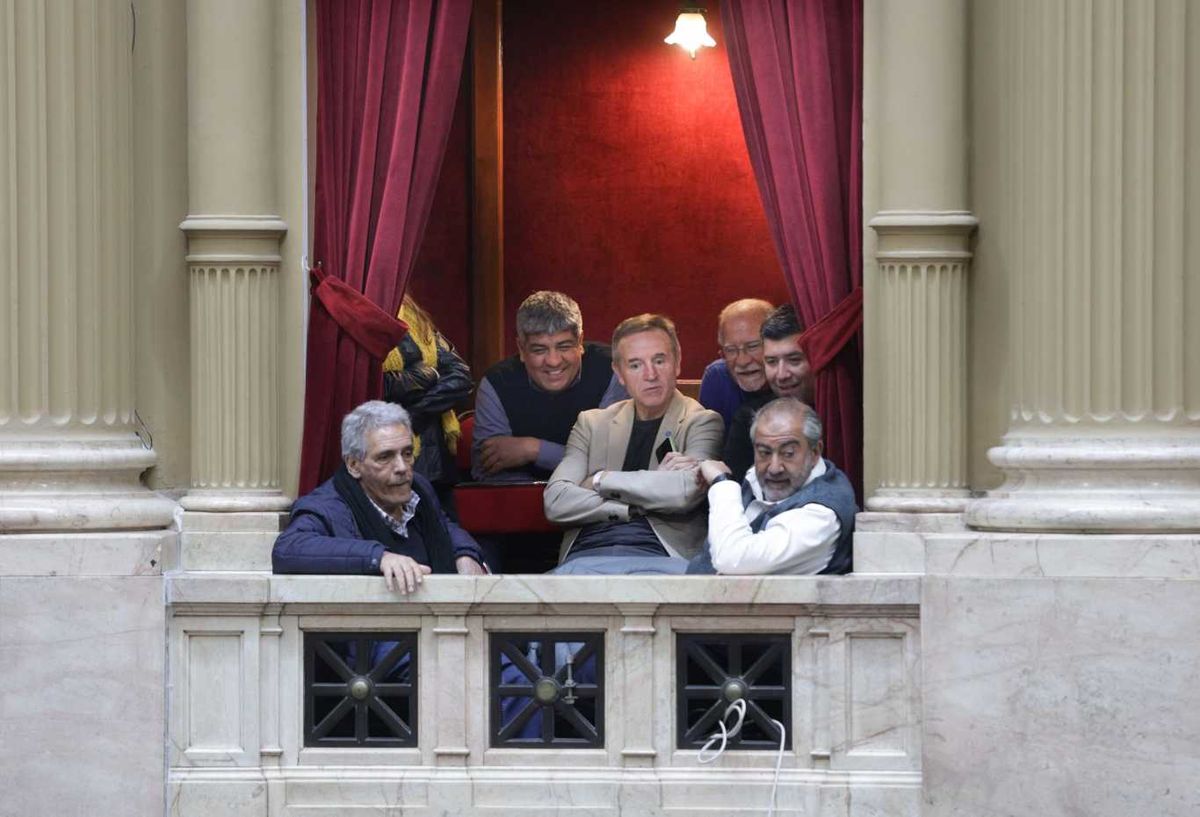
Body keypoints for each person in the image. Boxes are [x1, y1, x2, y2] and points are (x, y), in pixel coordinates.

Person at [543, 314, 724, 574]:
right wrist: (635, 503)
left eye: (659, 360)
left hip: (660, 557)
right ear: (619, 373)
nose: (650, 375)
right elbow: (556, 501)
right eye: (636, 365)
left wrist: (598, 480)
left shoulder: (701, 422)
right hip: (585, 556)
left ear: (677, 363)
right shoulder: (591, 423)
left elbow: (683, 492)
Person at [273, 401, 488, 592]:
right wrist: (379, 557)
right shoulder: (327, 507)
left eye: (407, 453)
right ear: (354, 465)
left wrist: (465, 554)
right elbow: (288, 549)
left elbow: (444, 526)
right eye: (385, 457)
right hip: (370, 632)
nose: (402, 467)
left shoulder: (419, 488)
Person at [689, 398, 855, 575]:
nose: (774, 468)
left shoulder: (822, 515)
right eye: (764, 453)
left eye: (788, 454)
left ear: (814, 452)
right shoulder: (756, 477)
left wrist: (722, 484)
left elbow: (732, 560)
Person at [472, 291, 626, 482]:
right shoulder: (496, 382)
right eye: (539, 349)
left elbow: (612, 465)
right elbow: (488, 472)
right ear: (521, 349)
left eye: (564, 347)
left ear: (580, 343)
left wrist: (534, 449)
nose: (553, 361)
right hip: (521, 502)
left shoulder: (612, 370)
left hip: (596, 502)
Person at [382, 295, 472, 507]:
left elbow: (461, 376)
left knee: (443, 533)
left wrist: (415, 414)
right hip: (384, 453)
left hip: (435, 459)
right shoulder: (358, 317)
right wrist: (426, 376)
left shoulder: (414, 317)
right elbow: (372, 383)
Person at [723, 304, 815, 480]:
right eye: (772, 362)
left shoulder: (846, 415)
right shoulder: (748, 418)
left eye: (794, 360)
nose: (781, 375)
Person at [698, 298, 774, 429]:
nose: (742, 361)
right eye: (731, 350)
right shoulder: (717, 377)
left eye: (753, 346)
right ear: (722, 354)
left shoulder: (792, 377)